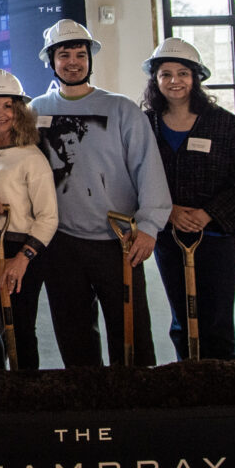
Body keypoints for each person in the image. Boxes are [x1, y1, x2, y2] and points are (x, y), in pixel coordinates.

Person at [32, 20, 171, 368]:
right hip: (61, 241)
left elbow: (148, 168)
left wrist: (150, 226)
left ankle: (136, 408)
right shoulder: (35, 111)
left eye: (81, 54)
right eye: (64, 55)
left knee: (130, 331)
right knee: (73, 331)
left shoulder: (122, 109)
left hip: (119, 241)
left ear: (90, 60)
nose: (74, 62)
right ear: (52, 60)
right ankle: (88, 400)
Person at [142, 37, 235, 361]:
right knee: (182, 318)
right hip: (171, 237)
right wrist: (168, 212)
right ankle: (190, 383)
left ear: (196, 78)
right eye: (166, 74)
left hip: (217, 238)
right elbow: (134, 177)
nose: (174, 81)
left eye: (183, 73)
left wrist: (209, 214)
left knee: (217, 320)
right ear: (156, 79)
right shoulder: (145, 125)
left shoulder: (225, 125)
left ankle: (223, 390)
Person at [0, 70, 58, 370]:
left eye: (7, 106)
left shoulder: (31, 157)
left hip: (20, 248)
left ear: (19, 111)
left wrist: (23, 258)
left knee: (19, 328)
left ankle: (27, 394)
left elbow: (48, 217)